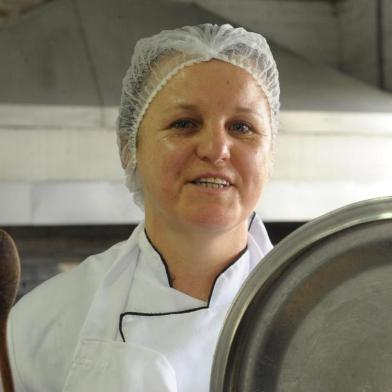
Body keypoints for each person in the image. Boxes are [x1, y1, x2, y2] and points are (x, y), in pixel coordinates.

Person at [6, 23, 279, 392]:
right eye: (185, 123)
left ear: (270, 153)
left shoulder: (323, 311)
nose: (216, 149)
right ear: (129, 148)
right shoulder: (42, 323)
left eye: (242, 127)